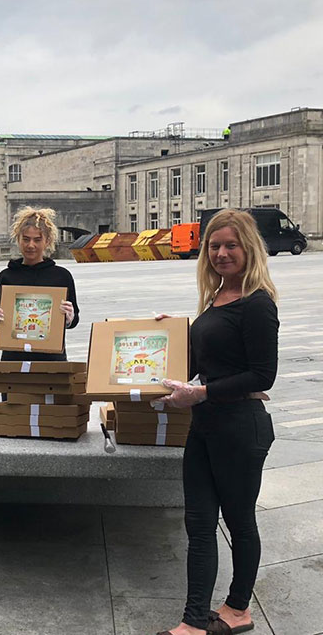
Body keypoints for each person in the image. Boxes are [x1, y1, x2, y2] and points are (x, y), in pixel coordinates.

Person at [155, 209, 279, 635]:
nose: (222, 253)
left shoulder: (257, 303)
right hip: (206, 426)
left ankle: (238, 608)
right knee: (199, 523)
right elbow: (201, 362)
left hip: (240, 427)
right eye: (214, 246)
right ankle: (193, 620)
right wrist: (165, 334)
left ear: (249, 248)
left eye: (231, 245)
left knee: (240, 521)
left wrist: (202, 393)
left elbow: (264, 376)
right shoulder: (215, 299)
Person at [0, 207, 79, 362]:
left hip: (50, 359)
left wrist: (69, 317)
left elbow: (74, 319)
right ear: (18, 239)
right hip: (14, 357)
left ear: (47, 241)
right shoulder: (6, 276)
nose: (31, 245)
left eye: (37, 240)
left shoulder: (61, 276)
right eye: (26, 239)